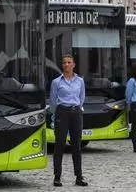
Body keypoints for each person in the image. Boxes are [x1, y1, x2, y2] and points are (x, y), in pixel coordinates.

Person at [49, 54, 88, 187]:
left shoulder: (80, 81)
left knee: (77, 145)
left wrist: (77, 109)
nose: (66, 64)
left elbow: (82, 97)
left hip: (75, 112)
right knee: (59, 145)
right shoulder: (56, 82)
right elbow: (53, 101)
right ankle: (57, 177)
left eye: (69, 62)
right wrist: (57, 113)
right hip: (62, 112)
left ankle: (79, 177)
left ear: (73, 65)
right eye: (64, 62)